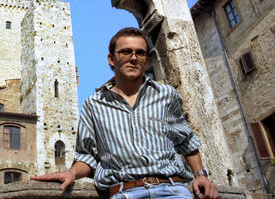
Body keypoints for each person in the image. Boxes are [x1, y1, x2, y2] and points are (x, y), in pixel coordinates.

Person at [31, 27, 218, 199]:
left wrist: (200, 175)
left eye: (140, 53)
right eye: (126, 52)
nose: (133, 58)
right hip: (124, 193)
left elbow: (186, 140)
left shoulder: (166, 95)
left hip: (172, 190)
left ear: (147, 60)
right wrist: (71, 172)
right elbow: (87, 157)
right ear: (112, 59)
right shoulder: (93, 105)